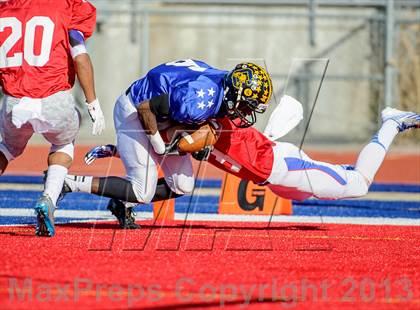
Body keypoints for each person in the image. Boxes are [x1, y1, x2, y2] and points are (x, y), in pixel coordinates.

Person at [78, 103, 419, 228]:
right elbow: (157, 149)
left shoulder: (210, 125)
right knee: (317, 193)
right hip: (275, 178)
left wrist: (115, 149)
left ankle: (392, 122)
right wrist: (115, 149)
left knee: (358, 184)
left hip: (284, 164)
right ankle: (336, 170)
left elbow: (171, 143)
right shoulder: (196, 128)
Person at [60, 59, 273, 228]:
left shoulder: (220, 87)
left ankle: (122, 202)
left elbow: (182, 120)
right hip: (134, 111)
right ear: (236, 94)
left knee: (183, 185)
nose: (247, 112)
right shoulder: (198, 100)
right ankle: (69, 182)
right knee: (142, 191)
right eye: (247, 106)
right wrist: (160, 146)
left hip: (161, 116)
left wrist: (194, 145)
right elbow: (146, 108)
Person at [0, 0, 105, 236]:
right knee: (63, 142)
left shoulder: (5, 9)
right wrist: (93, 102)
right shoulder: (66, 5)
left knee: (7, 147)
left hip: (14, 99)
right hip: (54, 97)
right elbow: (80, 57)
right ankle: (49, 198)